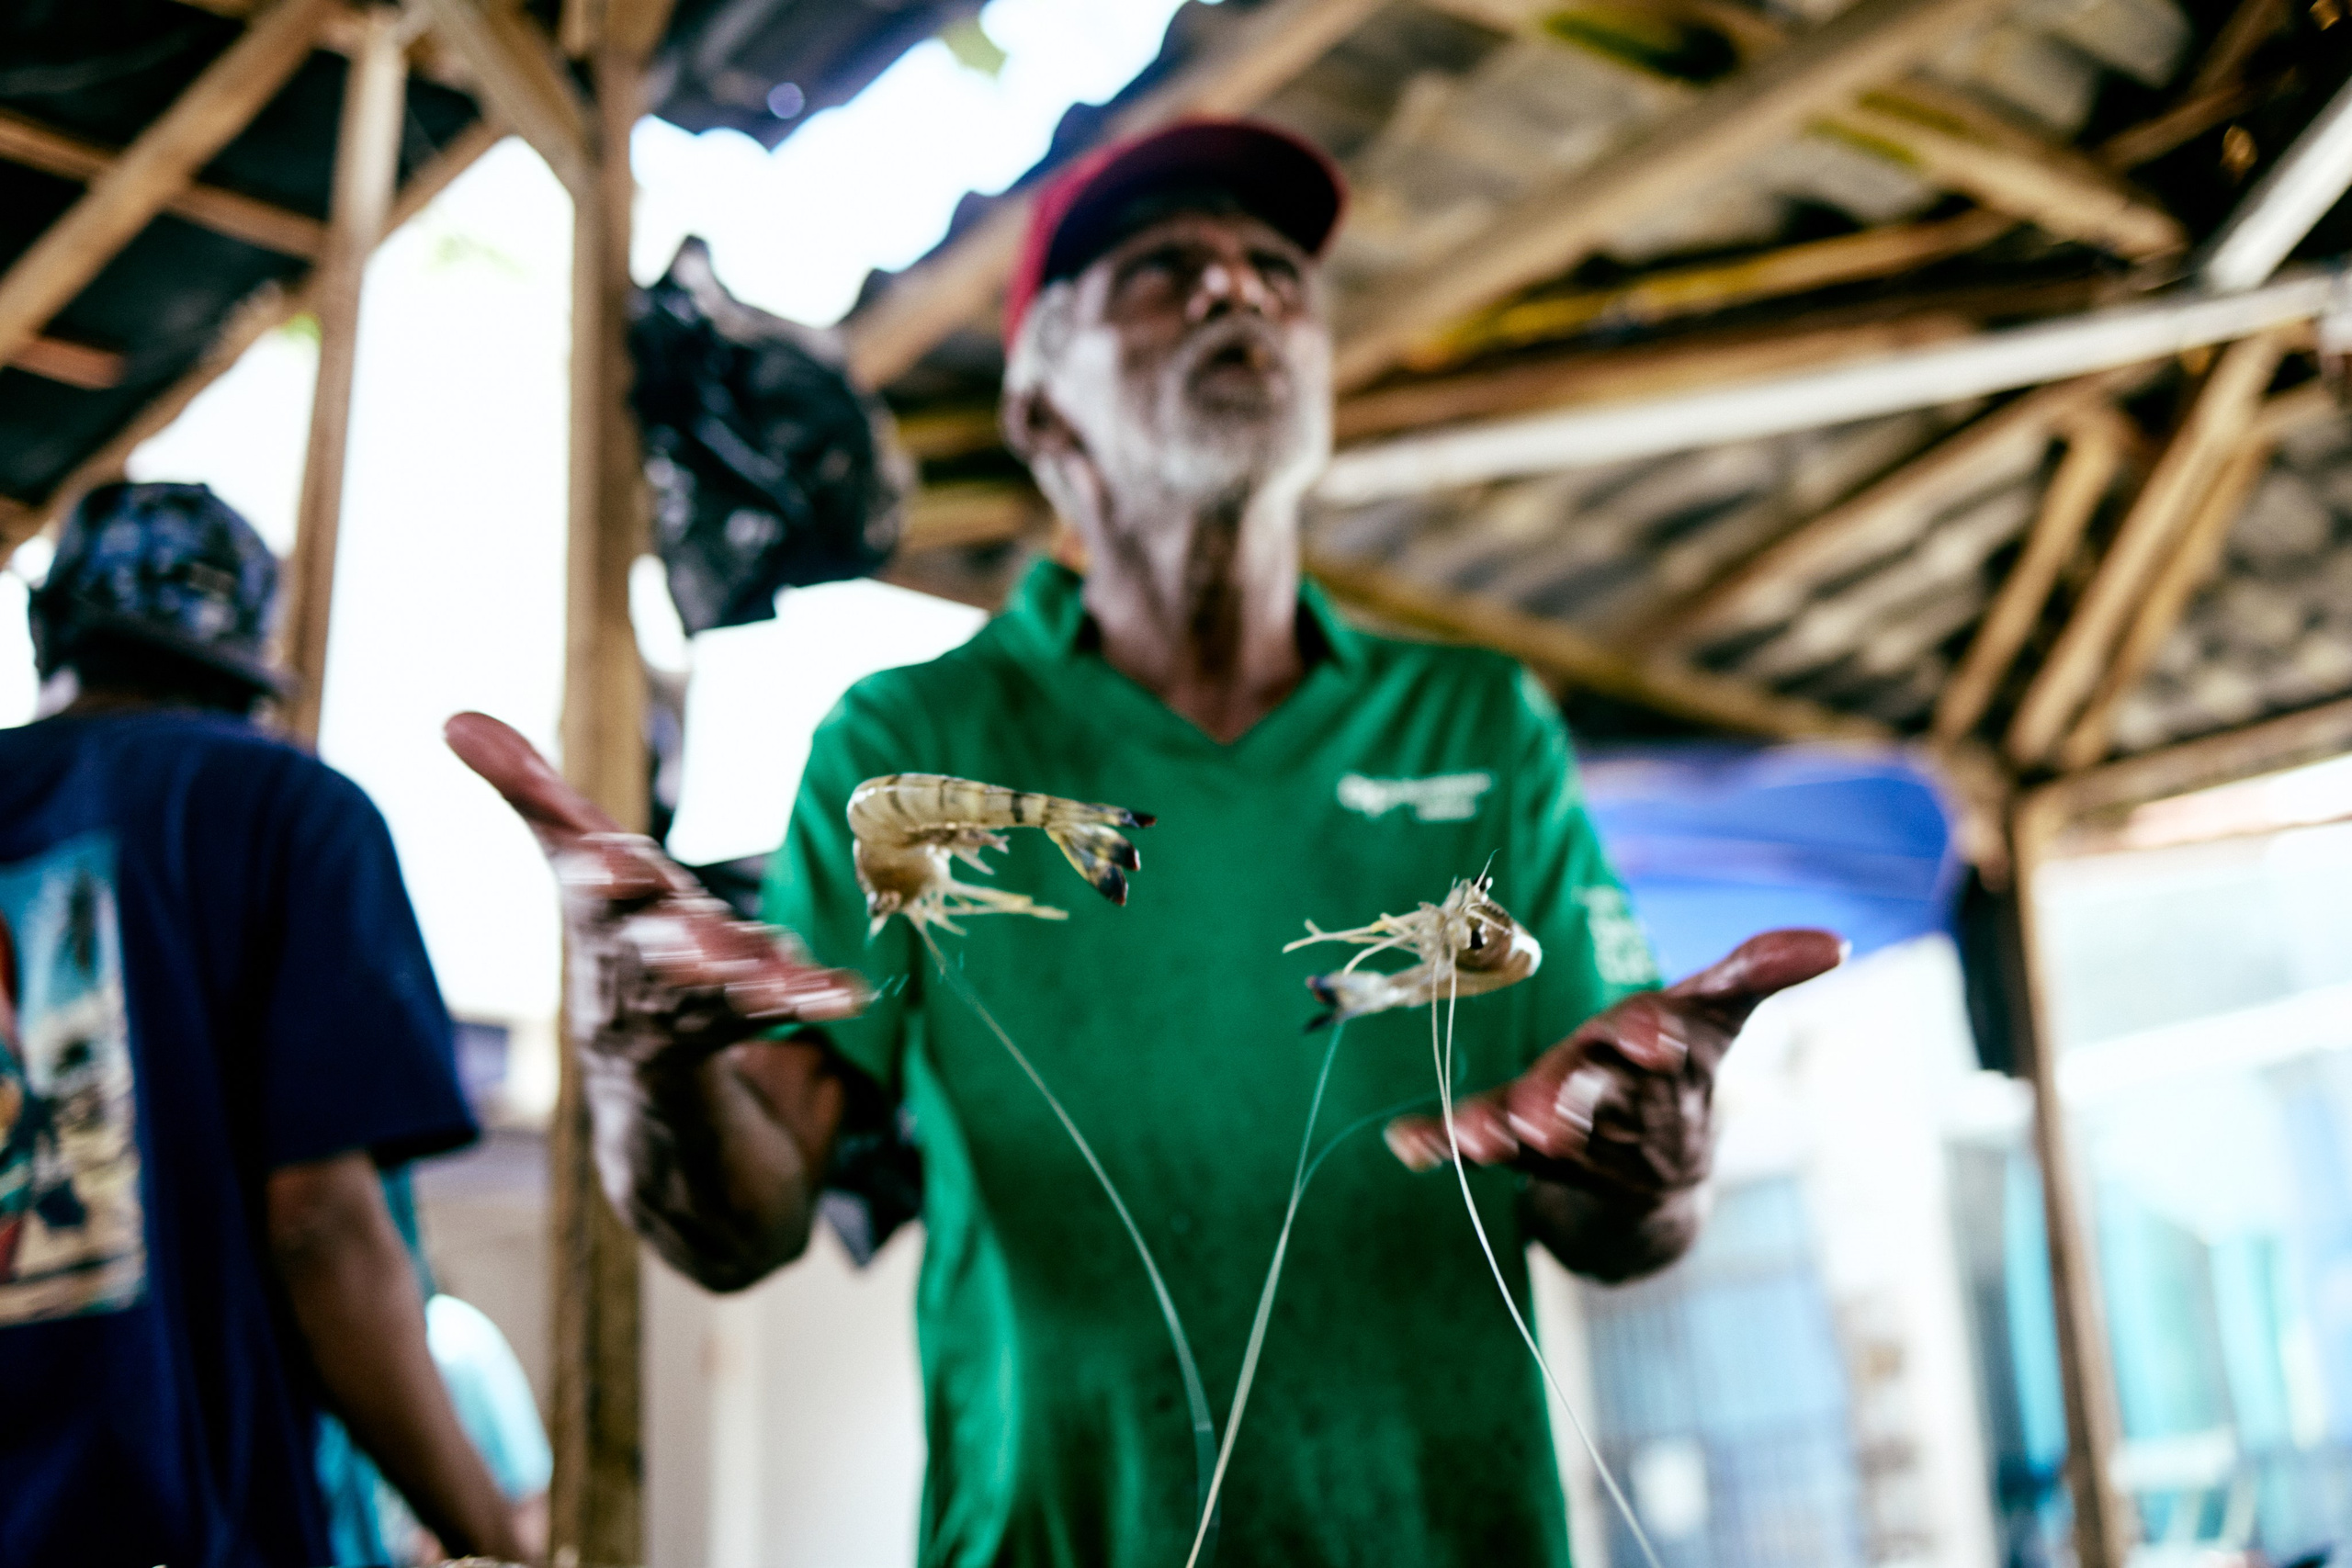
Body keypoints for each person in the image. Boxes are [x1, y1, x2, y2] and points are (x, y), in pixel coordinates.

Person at [543, 122, 1842, 1565]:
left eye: (1278, 272)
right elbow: (743, 1219)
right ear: (1041, 401)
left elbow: (1604, 1214)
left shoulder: (1478, 725)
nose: (1238, 293)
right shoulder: (904, 745)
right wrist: (642, 1070)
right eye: (1164, 272)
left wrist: (1660, 1155)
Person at [0, 481, 526, 1565]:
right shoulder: (291, 810)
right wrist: (490, 1539)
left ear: (51, 629)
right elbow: (320, 1226)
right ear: (246, 657)